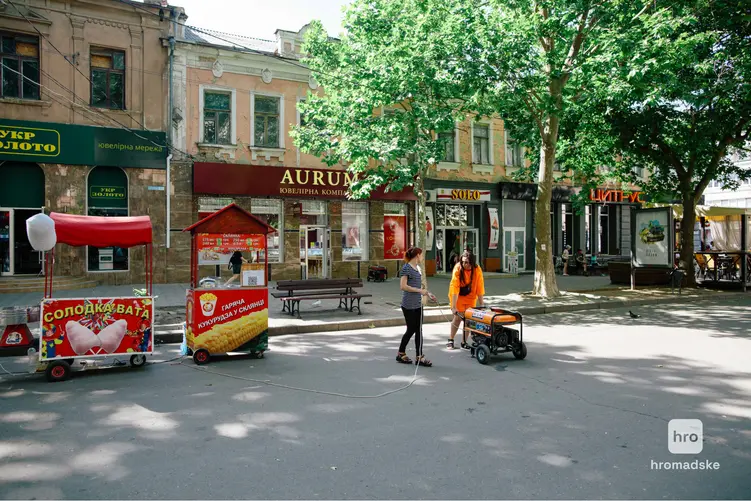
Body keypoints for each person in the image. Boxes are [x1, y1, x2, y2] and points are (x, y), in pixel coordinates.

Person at [397, 247, 435, 367]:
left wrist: (428, 293)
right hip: (408, 304)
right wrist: (419, 291)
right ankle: (401, 352)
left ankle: (419, 356)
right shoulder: (406, 268)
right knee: (411, 329)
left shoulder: (418, 268)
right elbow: (403, 286)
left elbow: (420, 287)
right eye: (422, 255)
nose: (423, 257)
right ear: (418, 255)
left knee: (419, 330)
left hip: (418, 304)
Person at [446, 250, 485, 350]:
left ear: (472, 262)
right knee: (458, 317)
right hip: (457, 296)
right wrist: (453, 307)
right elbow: (455, 288)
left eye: (467, 262)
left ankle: (464, 342)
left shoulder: (477, 269)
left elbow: (480, 288)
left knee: (468, 319)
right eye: (462, 261)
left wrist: (482, 304)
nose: (464, 264)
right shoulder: (458, 268)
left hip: (470, 296)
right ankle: (451, 340)